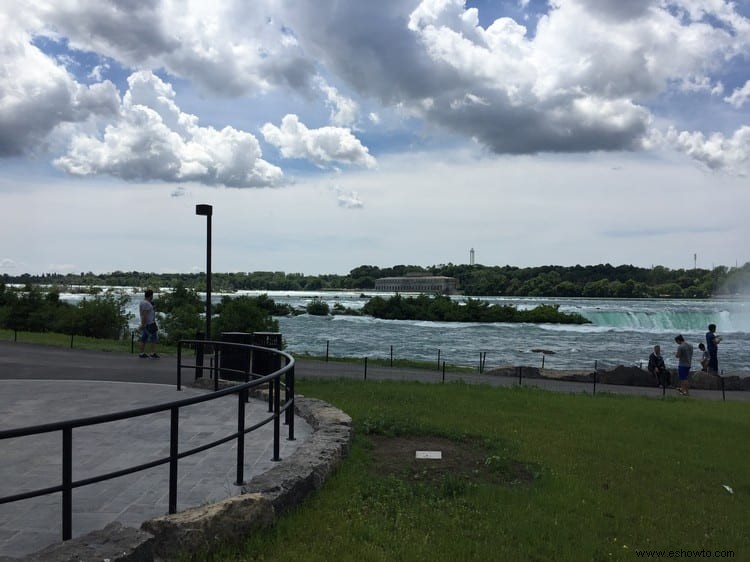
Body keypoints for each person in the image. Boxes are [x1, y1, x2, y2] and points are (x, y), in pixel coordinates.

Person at [138, 289, 159, 359]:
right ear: (150, 296)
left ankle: (142, 353)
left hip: (148, 323)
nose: (152, 297)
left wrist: (153, 307)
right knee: (153, 338)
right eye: (152, 295)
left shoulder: (145, 302)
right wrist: (143, 324)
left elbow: (147, 312)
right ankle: (152, 353)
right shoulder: (146, 303)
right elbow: (144, 314)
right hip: (150, 324)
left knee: (144, 338)